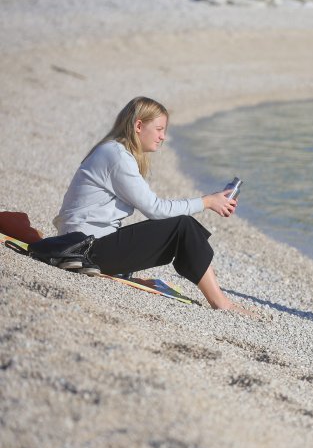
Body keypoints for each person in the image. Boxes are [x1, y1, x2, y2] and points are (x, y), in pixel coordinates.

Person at [54, 96, 250, 314]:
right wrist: (207, 201)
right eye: (159, 129)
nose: (163, 137)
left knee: (185, 228)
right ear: (139, 125)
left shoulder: (113, 152)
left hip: (84, 243)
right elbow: (156, 210)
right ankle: (221, 302)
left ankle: (217, 295)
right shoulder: (116, 156)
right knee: (183, 227)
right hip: (82, 249)